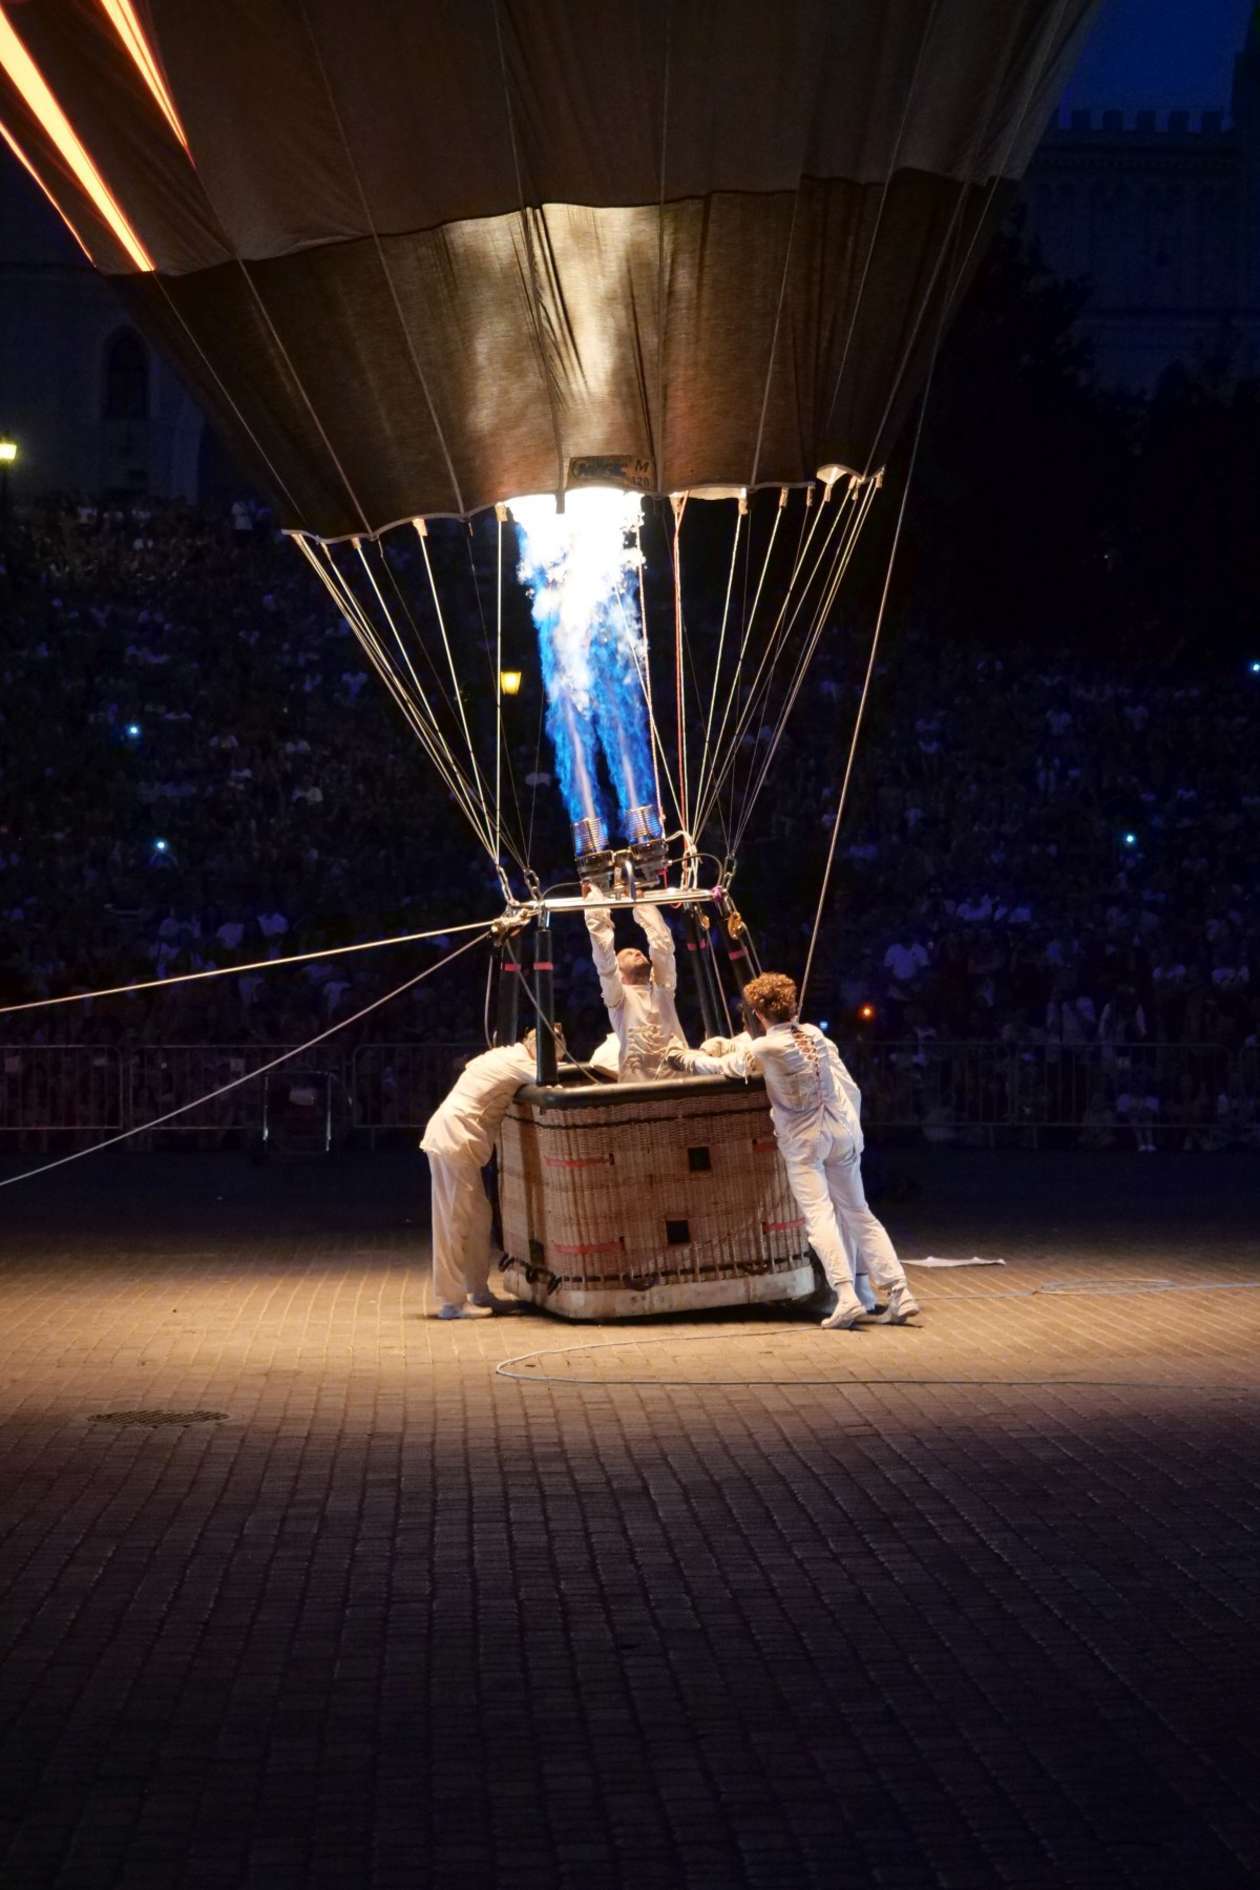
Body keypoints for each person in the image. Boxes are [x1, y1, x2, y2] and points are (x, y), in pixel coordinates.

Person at [667, 972, 918, 1329]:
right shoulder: (815, 1034)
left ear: (757, 1013)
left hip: (806, 1142)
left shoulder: (764, 1047)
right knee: (858, 1212)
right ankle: (899, 1291)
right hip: (840, 1131)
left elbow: (728, 1066)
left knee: (819, 1216)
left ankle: (846, 1296)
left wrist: (685, 1060)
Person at [420, 1027, 559, 1320]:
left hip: (458, 1138)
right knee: (454, 1220)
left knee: (479, 1217)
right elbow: (550, 1082)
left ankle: (478, 1291)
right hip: (455, 1138)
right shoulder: (521, 1062)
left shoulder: (504, 1054)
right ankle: (451, 1303)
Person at [584, 887, 686, 1081]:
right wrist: (594, 899)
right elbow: (604, 959)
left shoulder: (662, 988)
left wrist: (642, 902)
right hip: (638, 1093)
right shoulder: (618, 997)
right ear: (620, 975)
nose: (637, 953)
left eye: (638, 951)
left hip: (680, 1087)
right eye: (628, 954)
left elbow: (662, 945)